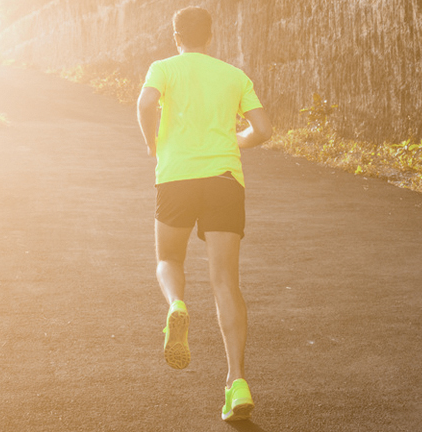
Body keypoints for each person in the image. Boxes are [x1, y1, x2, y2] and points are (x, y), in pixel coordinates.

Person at [135, 6, 273, 422]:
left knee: (168, 259)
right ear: (209, 36)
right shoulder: (233, 76)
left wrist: (153, 144)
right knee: (225, 282)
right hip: (224, 180)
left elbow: (145, 103)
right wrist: (238, 140)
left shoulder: (163, 67)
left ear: (176, 35)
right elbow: (263, 130)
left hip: (176, 177)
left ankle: (176, 306)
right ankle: (237, 382)